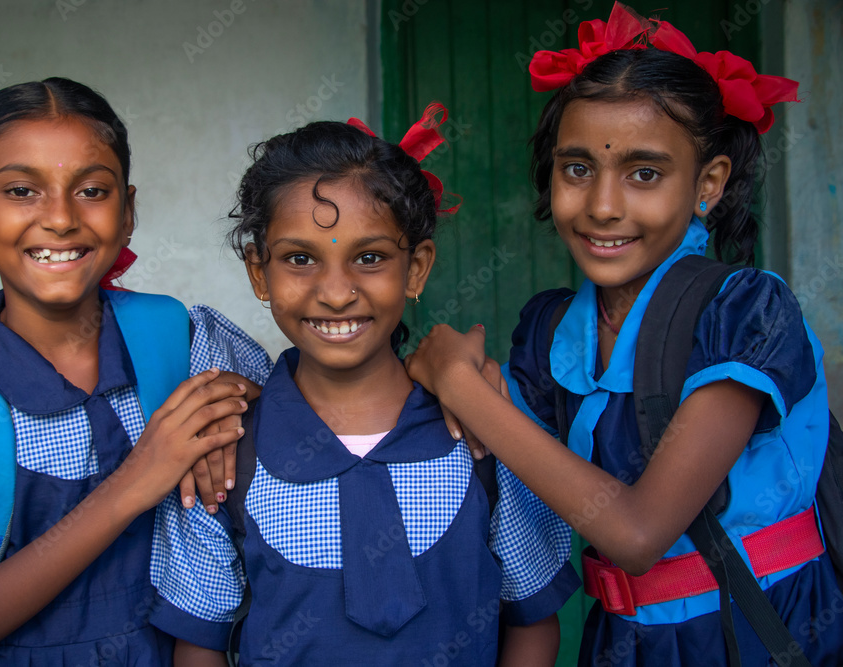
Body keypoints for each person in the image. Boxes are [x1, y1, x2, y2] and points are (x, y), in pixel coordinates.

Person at [404, 4, 843, 665]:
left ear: (709, 183)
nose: (603, 204)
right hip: (621, 641)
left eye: (644, 173)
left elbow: (638, 533)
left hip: (754, 630)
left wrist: (464, 386)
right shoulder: (550, 330)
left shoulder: (746, 311)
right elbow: (509, 470)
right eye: (577, 168)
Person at [158, 105, 580, 666]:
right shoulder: (227, 455)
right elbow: (198, 644)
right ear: (259, 272)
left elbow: (531, 624)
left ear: (416, 268)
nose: (336, 293)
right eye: (300, 258)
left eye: (371, 257)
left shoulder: (485, 434)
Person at [0, 77, 272, 666]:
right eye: (20, 191)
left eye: (91, 190)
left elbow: (294, 435)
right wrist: (137, 481)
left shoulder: (181, 339)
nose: (60, 218)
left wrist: (243, 404)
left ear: (128, 211)